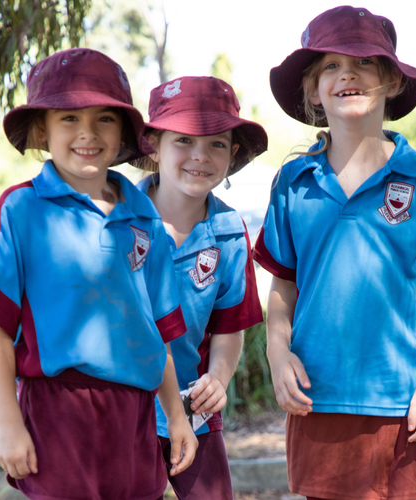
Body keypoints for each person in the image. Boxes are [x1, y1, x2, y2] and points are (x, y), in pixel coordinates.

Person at [0, 48, 198, 500]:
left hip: (135, 417)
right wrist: (8, 425)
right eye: (69, 118)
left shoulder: (143, 216)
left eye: (104, 118)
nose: (87, 133)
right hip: (56, 413)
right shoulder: (21, 209)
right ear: (42, 129)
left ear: (123, 131)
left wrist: (177, 416)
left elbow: (158, 332)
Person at [253, 6, 416, 500]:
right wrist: (276, 352)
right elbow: (282, 285)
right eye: (329, 66)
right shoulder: (293, 183)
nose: (347, 74)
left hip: (399, 401)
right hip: (317, 397)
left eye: (364, 62)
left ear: (392, 81)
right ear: (312, 91)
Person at [136, 76, 267, 499]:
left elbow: (231, 324)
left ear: (233, 152)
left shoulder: (229, 234)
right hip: (125, 411)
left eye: (216, 143)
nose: (200, 156)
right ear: (154, 143)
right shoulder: (119, 220)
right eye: (184, 141)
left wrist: (219, 376)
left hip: (194, 406)